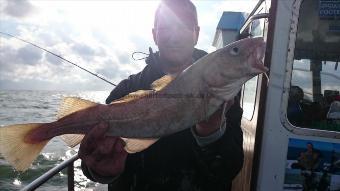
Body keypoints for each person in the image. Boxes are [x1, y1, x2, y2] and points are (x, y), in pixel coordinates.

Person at [79, 0, 244, 190]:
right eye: (165, 28)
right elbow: (91, 158)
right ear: (154, 35)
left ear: (196, 33)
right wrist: (102, 170)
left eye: (183, 26)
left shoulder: (223, 89)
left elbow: (230, 167)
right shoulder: (126, 90)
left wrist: (211, 132)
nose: (174, 36)